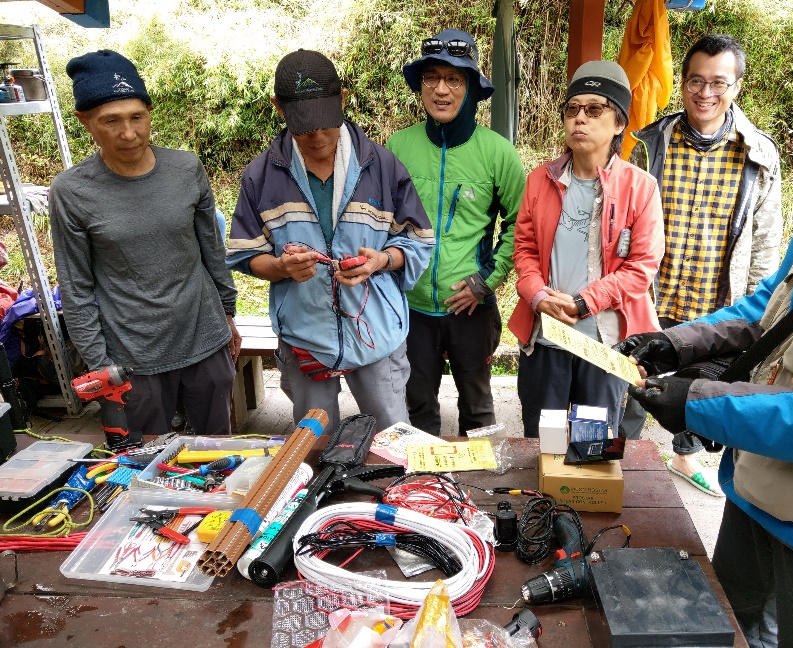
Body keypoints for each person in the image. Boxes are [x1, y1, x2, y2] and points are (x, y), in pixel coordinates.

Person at [619, 2, 793, 643]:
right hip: (756, 493)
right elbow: (774, 308)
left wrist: (697, 404)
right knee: (721, 627)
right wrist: (675, 342)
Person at [226, 50, 433, 434]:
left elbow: (417, 241)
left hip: (376, 332)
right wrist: (281, 267)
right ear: (278, 108)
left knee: (392, 438)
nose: (317, 136)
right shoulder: (261, 176)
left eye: (326, 122)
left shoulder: (382, 166)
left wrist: (381, 261)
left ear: (343, 99)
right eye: (303, 126)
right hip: (305, 337)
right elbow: (247, 254)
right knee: (312, 446)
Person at [49, 50, 241, 441]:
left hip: (204, 337)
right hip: (132, 356)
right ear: (84, 121)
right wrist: (99, 363)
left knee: (218, 453)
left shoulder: (186, 168)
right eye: (110, 121)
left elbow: (211, 249)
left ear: (150, 110)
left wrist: (228, 312)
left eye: (137, 117)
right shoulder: (71, 191)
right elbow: (76, 285)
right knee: (145, 462)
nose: (129, 133)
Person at [627, 34, 782, 495]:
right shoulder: (652, 141)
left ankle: (685, 455)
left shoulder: (758, 153)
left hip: (716, 303)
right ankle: (622, 459)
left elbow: (765, 242)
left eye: (719, 82)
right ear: (683, 82)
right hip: (653, 291)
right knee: (634, 382)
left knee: (699, 392)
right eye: (696, 80)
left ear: (737, 86)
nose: (705, 93)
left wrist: (761, 313)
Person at [508, 60, 664, 438]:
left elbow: (642, 267)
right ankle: (543, 497)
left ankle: (585, 499)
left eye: (595, 109)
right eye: (572, 109)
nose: (580, 119)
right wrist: (538, 294)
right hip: (546, 337)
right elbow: (524, 250)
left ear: (619, 123)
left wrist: (584, 302)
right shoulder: (540, 180)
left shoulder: (639, 188)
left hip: (604, 343)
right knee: (544, 438)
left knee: (592, 443)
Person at [386, 30, 525, 436]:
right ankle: (420, 491)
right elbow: (381, 221)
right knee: (417, 405)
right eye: (431, 78)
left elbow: (521, 225)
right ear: (420, 85)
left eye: (455, 79)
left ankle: (480, 489)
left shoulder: (498, 152)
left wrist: (487, 281)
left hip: (471, 307)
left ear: (472, 88)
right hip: (410, 305)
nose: (441, 90)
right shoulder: (398, 146)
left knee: (478, 406)